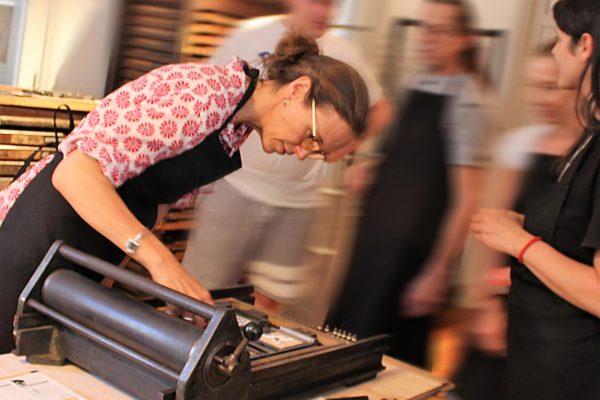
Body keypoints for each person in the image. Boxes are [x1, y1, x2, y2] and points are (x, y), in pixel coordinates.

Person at [0, 33, 371, 354]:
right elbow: (75, 172)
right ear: (297, 89)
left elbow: (148, 197)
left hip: (87, 249)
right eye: (312, 136)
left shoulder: (233, 129)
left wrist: (124, 279)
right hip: (40, 231)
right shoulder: (204, 94)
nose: (304, 152)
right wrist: (161, 263)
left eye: (317, 151)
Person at [182, 0, 390, 313]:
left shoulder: (344, 54)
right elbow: (211, 95)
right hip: (236, 185)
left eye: (332, 4)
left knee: (269, 304)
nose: (326, 13)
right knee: (201, 291)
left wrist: (337, 149)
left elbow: (381, 110)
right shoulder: (249, 34)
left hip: (298, 202)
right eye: (318, 2)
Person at [327, 0, 487, 368]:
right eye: (424, 28)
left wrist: (437, 272)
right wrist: (372, 167)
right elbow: (405, 158)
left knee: (386, 363)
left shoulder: (469, 101)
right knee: (344, 340)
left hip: (410, 258)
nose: (426, 38)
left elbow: (466, 199)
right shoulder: (414, 82)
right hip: (374, 243)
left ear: (463, 39)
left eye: (439, 31)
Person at [472, 0, 600, 400]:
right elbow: (578, 235)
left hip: (569, 376)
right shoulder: (588, 138)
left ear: (585, 46)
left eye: (559, 41)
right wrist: (524, 223)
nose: (554, 52)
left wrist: (519, 242)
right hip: (536, 357)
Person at [452, 44, 582, 400]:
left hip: (565, 317)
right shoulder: (519, 145)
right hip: (507, 304)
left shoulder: (590, 155)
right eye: (533, 85)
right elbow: (488, 233)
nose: (541, 97)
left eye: (551, 86)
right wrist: (487, 303)